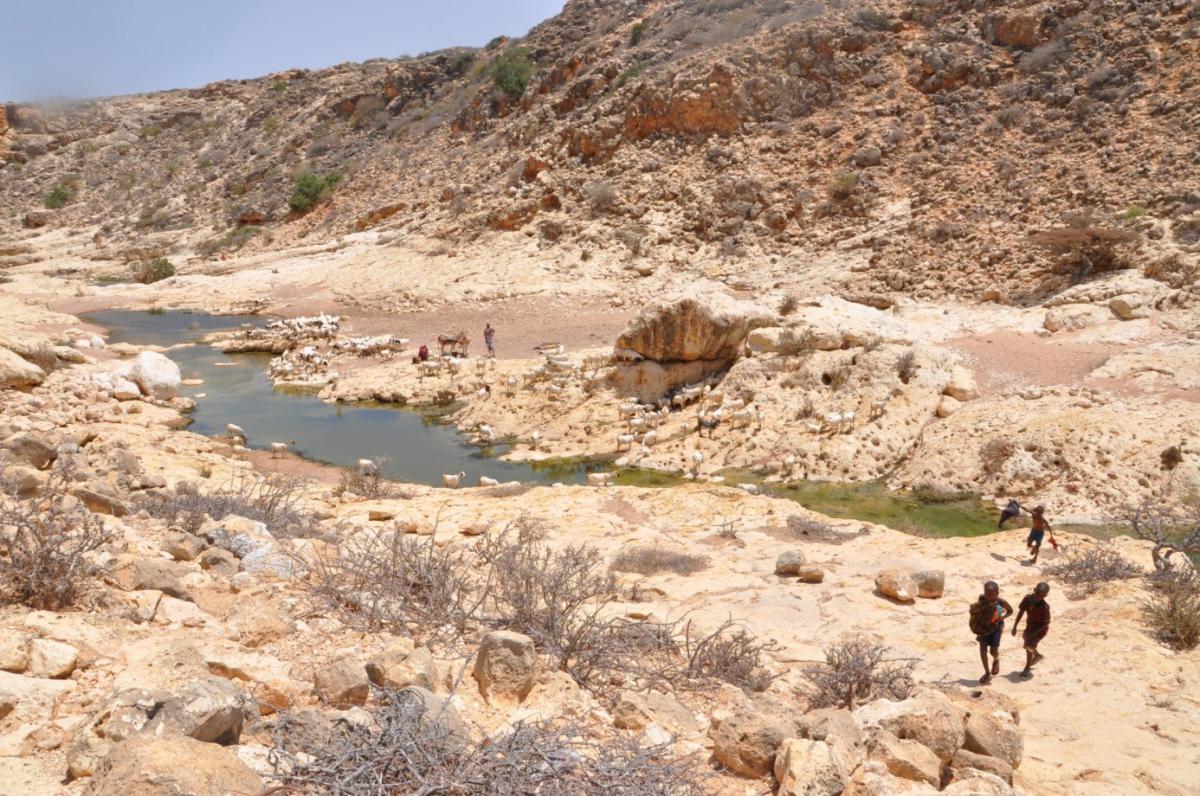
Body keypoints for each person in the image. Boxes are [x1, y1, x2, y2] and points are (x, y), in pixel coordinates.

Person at [969, 581, 1013, 685]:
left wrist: (1001, 617)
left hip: (996, 627)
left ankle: (996, 659)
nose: (988, 596)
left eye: (991, 594)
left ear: (997, 593)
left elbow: (1010, 611)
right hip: (983, 627)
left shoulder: (1001, 602)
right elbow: (977, 610)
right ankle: (987, 673)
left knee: (993, 651)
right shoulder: (982, 599)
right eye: (986, 594)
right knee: (982, 649)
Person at [1011, 582, 1051, 679]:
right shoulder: (1027, 599)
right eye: (1037, 594)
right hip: (1030, 626)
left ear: (1045, 595)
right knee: (1029, 642)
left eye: (1042, 596)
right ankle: (1037, 655)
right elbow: (1021, 611)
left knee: (1029, 645)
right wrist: (1015, 626)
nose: (1038, 597)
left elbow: (1045, 623)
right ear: (1034, 590)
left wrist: (1034, 633)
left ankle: (1027, 668)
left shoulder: (1045, 607)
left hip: (1041, 630)